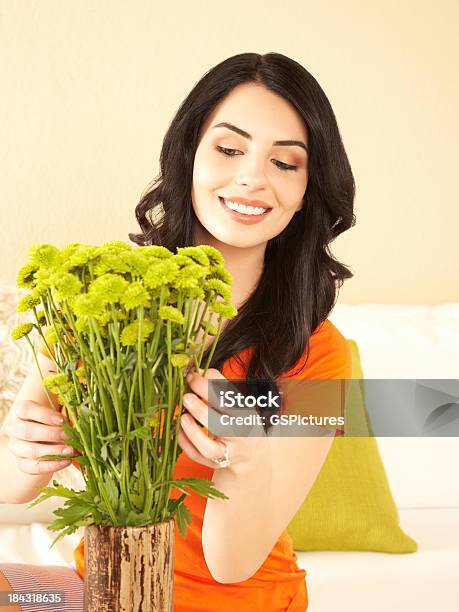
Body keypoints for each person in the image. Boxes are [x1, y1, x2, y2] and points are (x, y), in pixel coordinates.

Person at [0, 51, 355, 611]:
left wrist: (243, 456)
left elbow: (232, 563)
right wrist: (25, 448)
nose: (252, 177)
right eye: (230, 149)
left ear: (308, 190)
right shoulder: (100, 301)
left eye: (285, 163)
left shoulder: (319, 356)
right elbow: (10, 486)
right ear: (188, 153)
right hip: (106, 592)